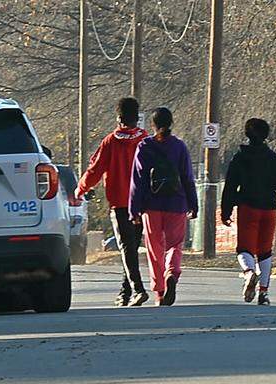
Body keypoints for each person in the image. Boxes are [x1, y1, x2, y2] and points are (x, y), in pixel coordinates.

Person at [76, 97, 150, 307]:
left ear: (119, 118)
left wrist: (81, 188)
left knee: (127, 248)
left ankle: (137, 289)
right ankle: (125, 292)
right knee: (132, 247)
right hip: (143, 202)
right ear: (137, 117)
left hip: (120, 202)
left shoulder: (111, 141)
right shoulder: (145, 139)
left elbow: (95, 169)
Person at [129, 107, 197, 306]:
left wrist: (134, 209)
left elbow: (137, 180)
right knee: (175, 244)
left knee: (154, 248)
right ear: (171, 123)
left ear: (152, 125)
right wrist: (193, 203)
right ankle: (172, 274)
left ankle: (160, 291)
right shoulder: (179, 147)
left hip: (152, 205)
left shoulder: (144, 146)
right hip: (177, 202)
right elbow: (187, 178)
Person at [221, 118, 276, 305]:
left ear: (247, 134)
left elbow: (231, 186)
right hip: (269, 208)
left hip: (248, 208)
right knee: (265, 251)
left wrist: (226, 210)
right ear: (267, 135)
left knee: (244, 248)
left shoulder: (240, 157)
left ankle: (249, 272)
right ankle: (263, 293)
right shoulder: (273, 158)